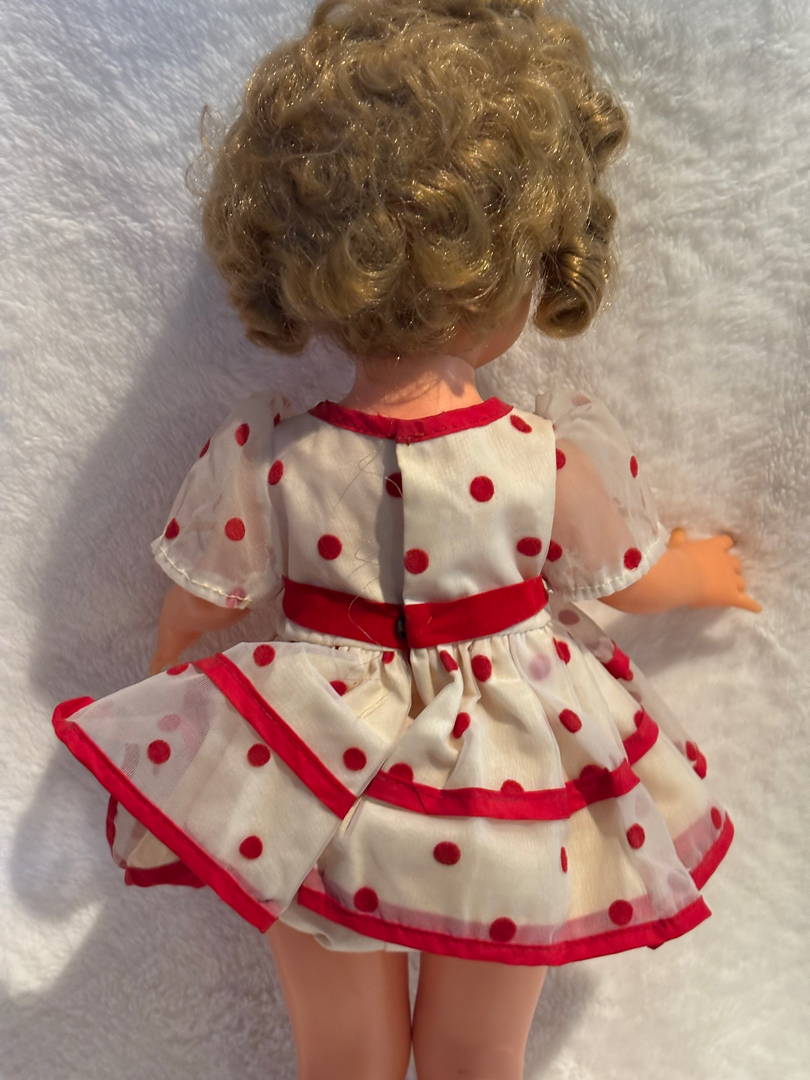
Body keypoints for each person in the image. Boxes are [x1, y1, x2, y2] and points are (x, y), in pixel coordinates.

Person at [51, 2, 760, 1078]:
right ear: (508, 271)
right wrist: (702, 571)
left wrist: (171, 676)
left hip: (311, 778)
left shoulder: (272, 454)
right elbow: (622, 575)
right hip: (502, 788)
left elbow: (201, 602)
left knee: (345, 1052)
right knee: (478, 1053)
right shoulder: (536, 457)